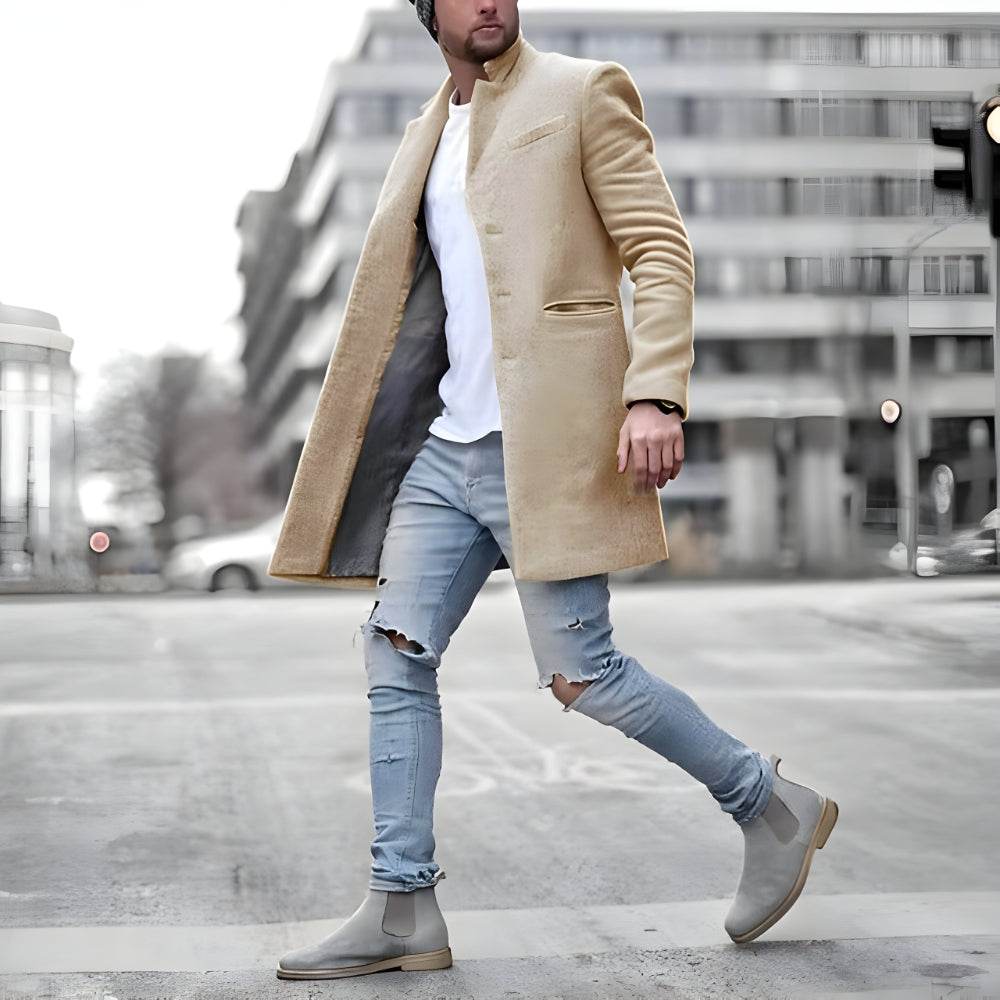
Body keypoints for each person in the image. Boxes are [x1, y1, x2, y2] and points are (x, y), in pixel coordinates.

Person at [269, 0, 838, 981]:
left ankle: (769, 804)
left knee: (583, 674)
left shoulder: (582, 92)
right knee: (394, 651)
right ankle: (401, 903)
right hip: (445, 447)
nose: (489, 0)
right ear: (428, 11)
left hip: (552, 442)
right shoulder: (421, 135)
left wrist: (654, 392)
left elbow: (660, 249)